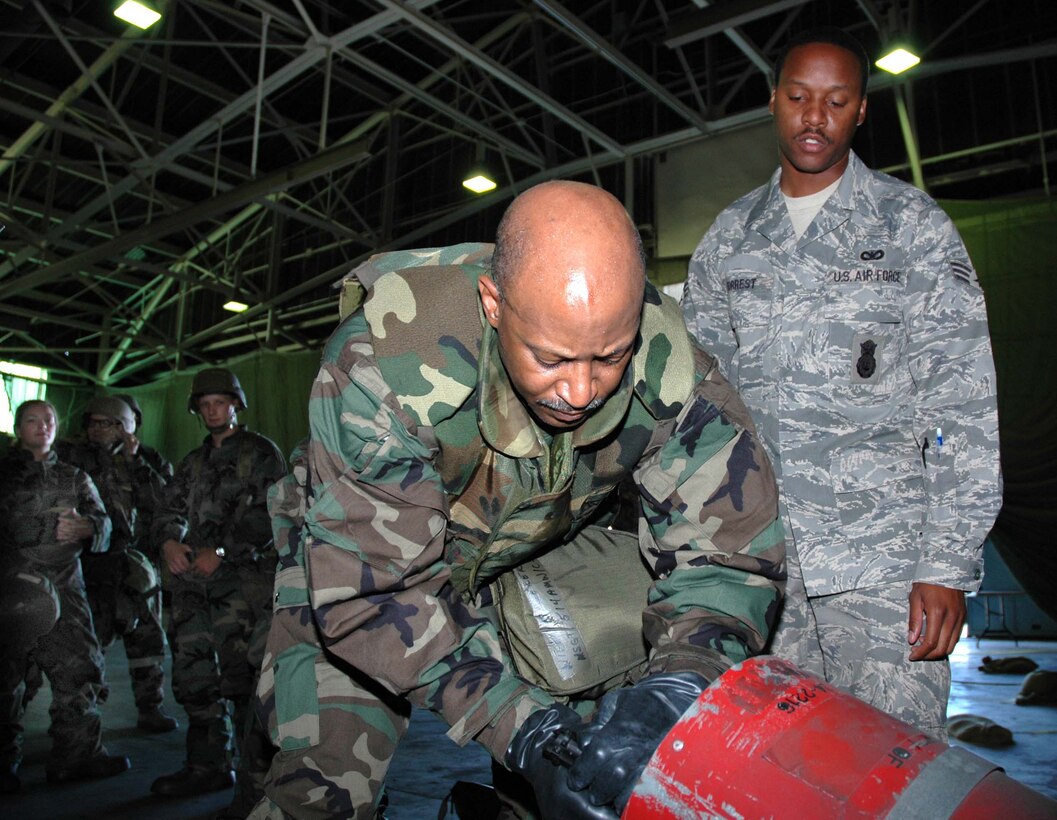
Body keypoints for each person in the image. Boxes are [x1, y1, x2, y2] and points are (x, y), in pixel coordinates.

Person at [251, 180, 786, 819]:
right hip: (365, 568)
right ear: (494, 303)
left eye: (609, 357)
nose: (582, 390)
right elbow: (375, 593)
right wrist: (524, 728)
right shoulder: (381, 367)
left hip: (527, 545)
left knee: (594, 768)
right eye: (551, 358)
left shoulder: (675, 376)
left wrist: (680, 681)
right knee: (326, 787)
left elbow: (727, 556)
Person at [681, 27, 1001, 740]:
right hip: (759, 568)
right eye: (797, 97)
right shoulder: (730, 239)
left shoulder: (911, 228)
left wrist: (946, 565)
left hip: (883, 574)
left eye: (835, 100)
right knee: (774, 776)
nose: (813, 117)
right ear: (772, 102)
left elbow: (961, 404)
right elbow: (695, 410)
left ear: (860, 111)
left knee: (888, 766)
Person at [150, 369, 286, 818]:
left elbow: (275, 515)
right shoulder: (191, 463)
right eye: (204, 404)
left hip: (244, 588)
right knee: (195, 678)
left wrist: (223, 550)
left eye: (219, 402)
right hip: (194, 588)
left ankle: (256, 788)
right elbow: (168, 509)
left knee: (246, 683)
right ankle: (206, 764)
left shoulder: (261, 454)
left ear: (235, 405)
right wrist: (169, 540)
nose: (211, 410)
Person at [0, 399, 129, 792]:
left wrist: (88, 528)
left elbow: (107, 524)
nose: (43, 426)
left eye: (50, 420)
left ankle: (77, 756)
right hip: (12, 590)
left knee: (79, 669)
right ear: (19, 427)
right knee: (6, 676)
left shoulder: (74, 476)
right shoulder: (3, 475)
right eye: (33, 420)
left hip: (66, 589)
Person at [55, 396, 178, 734]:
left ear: (126, 427)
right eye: (93, 422)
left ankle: (150, 707)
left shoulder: (148, 459)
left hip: (135, 567)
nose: (96, 429)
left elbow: (165, 502)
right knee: (86, 644)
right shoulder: (71, 455)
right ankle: (79, 720)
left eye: (106, 423)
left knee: (148, 640)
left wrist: (134, 461)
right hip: (88, 566)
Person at [113, 393, 176, 482]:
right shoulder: (97, 452)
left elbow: (167, 489)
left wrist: (134, 459)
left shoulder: (150, 455)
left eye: (126, 419)